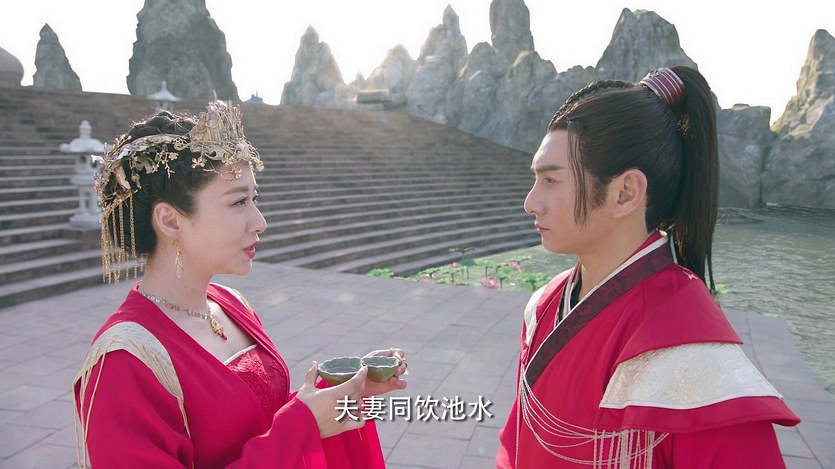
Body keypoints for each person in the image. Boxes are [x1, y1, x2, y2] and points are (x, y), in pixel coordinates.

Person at [73, 101, 407, 468]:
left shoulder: (229, 303)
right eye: (238, 202)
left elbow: (254, 427)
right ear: (170, 221)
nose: (259, 221)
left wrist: (338, 393)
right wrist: (303, 424)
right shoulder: (125, 361)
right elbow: (280, 436)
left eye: (254, 199)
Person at [496, 67, 800, 468]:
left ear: (625, 192)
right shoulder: (544, 306)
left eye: (551, 181)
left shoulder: (694, 357)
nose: (531, 203)